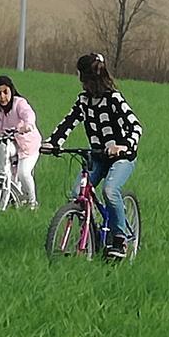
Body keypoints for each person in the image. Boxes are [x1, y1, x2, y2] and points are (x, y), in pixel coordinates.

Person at [41, 53, 142, 258]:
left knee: (110, 191)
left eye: (82, 76)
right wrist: (53, 143)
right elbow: (69, 122)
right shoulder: (84, 101)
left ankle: (120, 238)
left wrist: (121, 146)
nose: (81, 82)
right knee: (77, 192)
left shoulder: (113, 99)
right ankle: (89, 231)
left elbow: (135, 127)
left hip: (122, 157)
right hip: (97, 156)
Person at [0, 75, 42, 209]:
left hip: (28, 146)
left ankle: (32, 203)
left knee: (23, 173)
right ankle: (3, 184)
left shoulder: (19, 103)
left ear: (11, 91)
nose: (2, 97)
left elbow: (28, 114)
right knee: (3, 150)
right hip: (10, 143)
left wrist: (28, 125)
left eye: (5, 92)